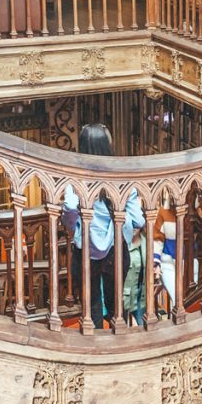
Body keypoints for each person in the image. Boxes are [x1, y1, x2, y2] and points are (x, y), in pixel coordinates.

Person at [61, 124, 144, 331]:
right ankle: (118, 339)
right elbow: (139, 220)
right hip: (116, 249)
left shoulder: (76, 177)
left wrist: (74, 228)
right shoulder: (121, 177)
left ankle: (97, 342)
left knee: (91, 302)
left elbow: (70, 206)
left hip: (86, 250)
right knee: (116, 299)